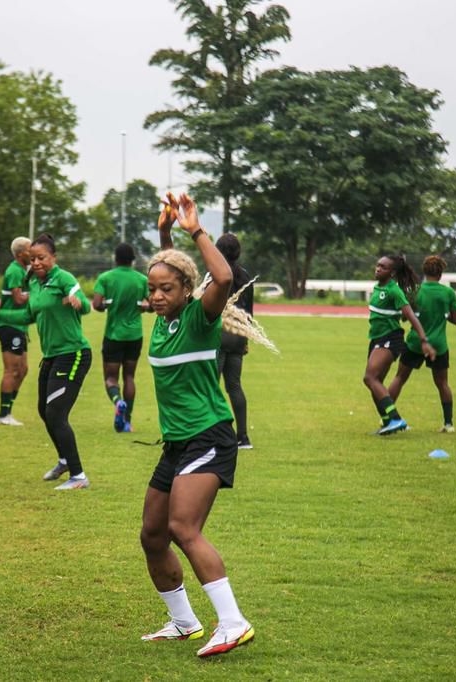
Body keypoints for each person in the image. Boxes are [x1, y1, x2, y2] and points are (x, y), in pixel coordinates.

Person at [138, 193, 274, 659]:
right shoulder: (161, 318)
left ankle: (233, 623)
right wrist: (165, 235)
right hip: (176, 443)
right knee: (152, 535)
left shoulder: (200, 316)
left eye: (165, 289)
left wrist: (194, 230)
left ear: (186, 290)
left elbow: (223, 277)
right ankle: (183, 622)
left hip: (211, 437)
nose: (156, 295)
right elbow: (166, 269)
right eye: (152, 288)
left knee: (182, 526)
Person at [0, 234, 93, 490]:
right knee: (44, 410)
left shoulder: (64, 278)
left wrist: (77, 302)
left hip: (73, 354)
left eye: (42, 258)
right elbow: (26, 314)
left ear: (53, 258)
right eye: (32, 259)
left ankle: (78, 476)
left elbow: (85, 305)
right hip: (51, 356)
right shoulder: (37, 284)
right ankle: (64, 459)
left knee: (56, 413)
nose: (36, 263)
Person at [363, 255, 435, 435]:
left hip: (390, 339)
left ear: (392, 272)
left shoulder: (394, 291)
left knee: (369, 378)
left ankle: (395, 419)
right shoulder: (378, 287)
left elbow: (410, 316)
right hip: (376, 338)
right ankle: (388, 422)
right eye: (378, 265)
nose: (378, 268)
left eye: (383, 267)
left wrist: (424, 341)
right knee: (375, 382)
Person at [387, 255, 456, 432]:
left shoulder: (414, 291)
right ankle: (448, 423)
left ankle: (387, 418)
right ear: (441, 273)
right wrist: (442, 315)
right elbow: (455, 319)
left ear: (424, 272)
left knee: (400, 378)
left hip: (415, 342)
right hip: (439, 344)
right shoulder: (448, 293)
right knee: (442, 383)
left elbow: (405, 317)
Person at [93, 243, 149, 432]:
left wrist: (108, 305)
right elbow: (149, 304)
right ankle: (127, 421)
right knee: (130, 377)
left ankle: (118, 403)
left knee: (111, 378)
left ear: (115, 258)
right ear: (133, 260)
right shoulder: (142, 280)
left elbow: (97, 304)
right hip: (135, 335)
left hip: (114, 335)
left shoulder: (105, 278)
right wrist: (142, 306)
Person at [214, 233, 255, 449]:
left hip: (218, 336)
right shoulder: (246, 276)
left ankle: (214, 434)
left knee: (211, 386)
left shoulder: (216, 274)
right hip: (238, 336)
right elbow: (250, 312)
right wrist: (246, 338)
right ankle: (243, 437)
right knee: (234, 386)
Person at [0, 237, 33, 426]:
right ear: (20, 254)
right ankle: (3, 415)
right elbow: (18, 300)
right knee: (11, 370)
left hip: (19, 326)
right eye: (29, 249)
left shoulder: (23, 270)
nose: (32, 252)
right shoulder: (15, 271)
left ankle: (8, 410)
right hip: (9, 325)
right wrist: (39, 297)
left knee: (23, 369)